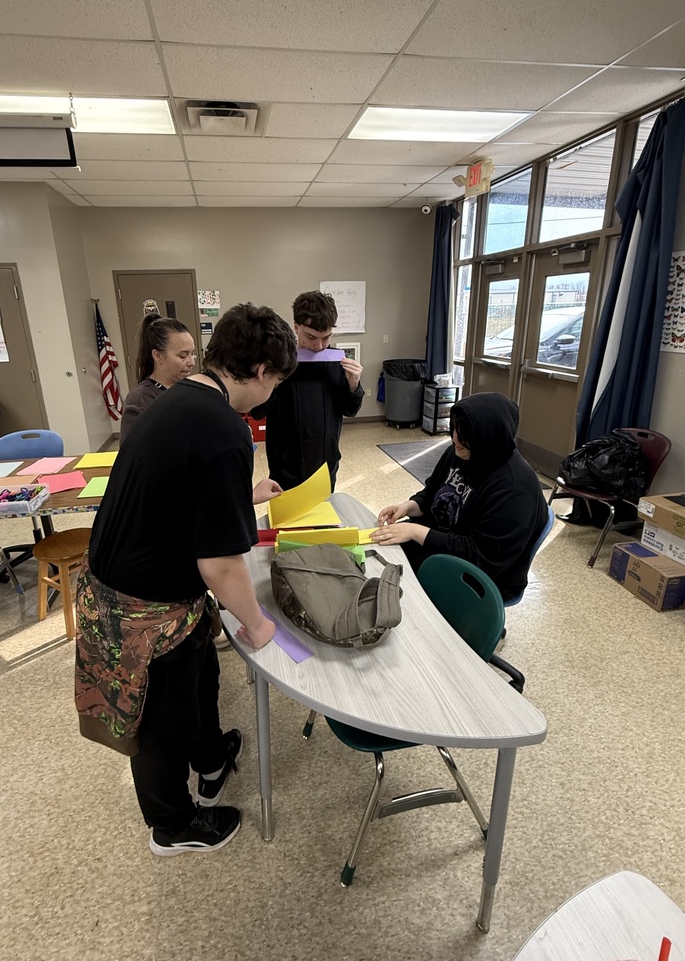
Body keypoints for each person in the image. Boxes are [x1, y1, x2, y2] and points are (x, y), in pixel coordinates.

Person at [75, 303, 297, 858]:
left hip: (134, 574)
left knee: (201, 677)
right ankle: (171, 826)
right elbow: (220, 563)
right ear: (265, 371)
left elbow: (183, 492)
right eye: (278, 381)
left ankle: (211, 754)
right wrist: (257, 622)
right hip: (143, 600)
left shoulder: (177, 398)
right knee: (162, 719)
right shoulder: (225, 429)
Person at [370, 392, 548, 602]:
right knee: (377, 557)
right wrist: (408, 507)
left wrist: (414, 531)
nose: (454, 438)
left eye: (464, 434)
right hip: (443, 543)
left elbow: (479, 555)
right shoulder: (460, 452)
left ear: (487, 437)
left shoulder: (515, 489)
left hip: (479, 573)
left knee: (396, 591)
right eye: (454, 429)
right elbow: (432, 493)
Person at [252, 290, 364, 491]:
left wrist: (353, 384)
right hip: (286, 468)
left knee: (324, 518)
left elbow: (350, 410)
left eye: (326, 337)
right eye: (311, 337)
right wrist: (273, 379)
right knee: (288, 520)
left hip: (326, 465)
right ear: (296, 327)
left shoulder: (335, 361)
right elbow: (257, 411)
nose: (319, 346)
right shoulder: (279, 362)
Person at [119, 315, 197, 445]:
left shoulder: (190, 389)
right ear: (158, 356)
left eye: (192, 354)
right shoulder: (141, 399)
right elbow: (130, 456)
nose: (191, 362)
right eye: (183, 355)